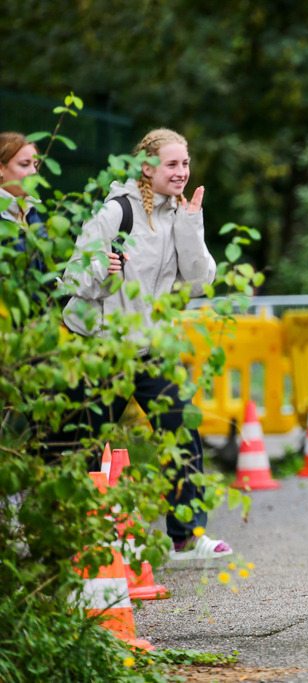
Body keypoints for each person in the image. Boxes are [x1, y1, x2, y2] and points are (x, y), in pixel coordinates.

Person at [61, 128, 231, 560]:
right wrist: (105, 269)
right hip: (106, 347)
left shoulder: (181, 212)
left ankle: (187, 537)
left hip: (152, 346)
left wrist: (193, 224)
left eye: (185, 164)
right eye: (172, 164)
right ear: (147, 168)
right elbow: (74, 280)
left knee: (181, 431)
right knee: (84, 442)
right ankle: (72, 537)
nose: (182, 172)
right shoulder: (116, 212)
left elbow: (199, 283)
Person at [0, 133, 46, 276]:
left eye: (35, 165)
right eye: (24, 164)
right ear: (1, 168)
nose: (33, 172)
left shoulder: (30, 211)